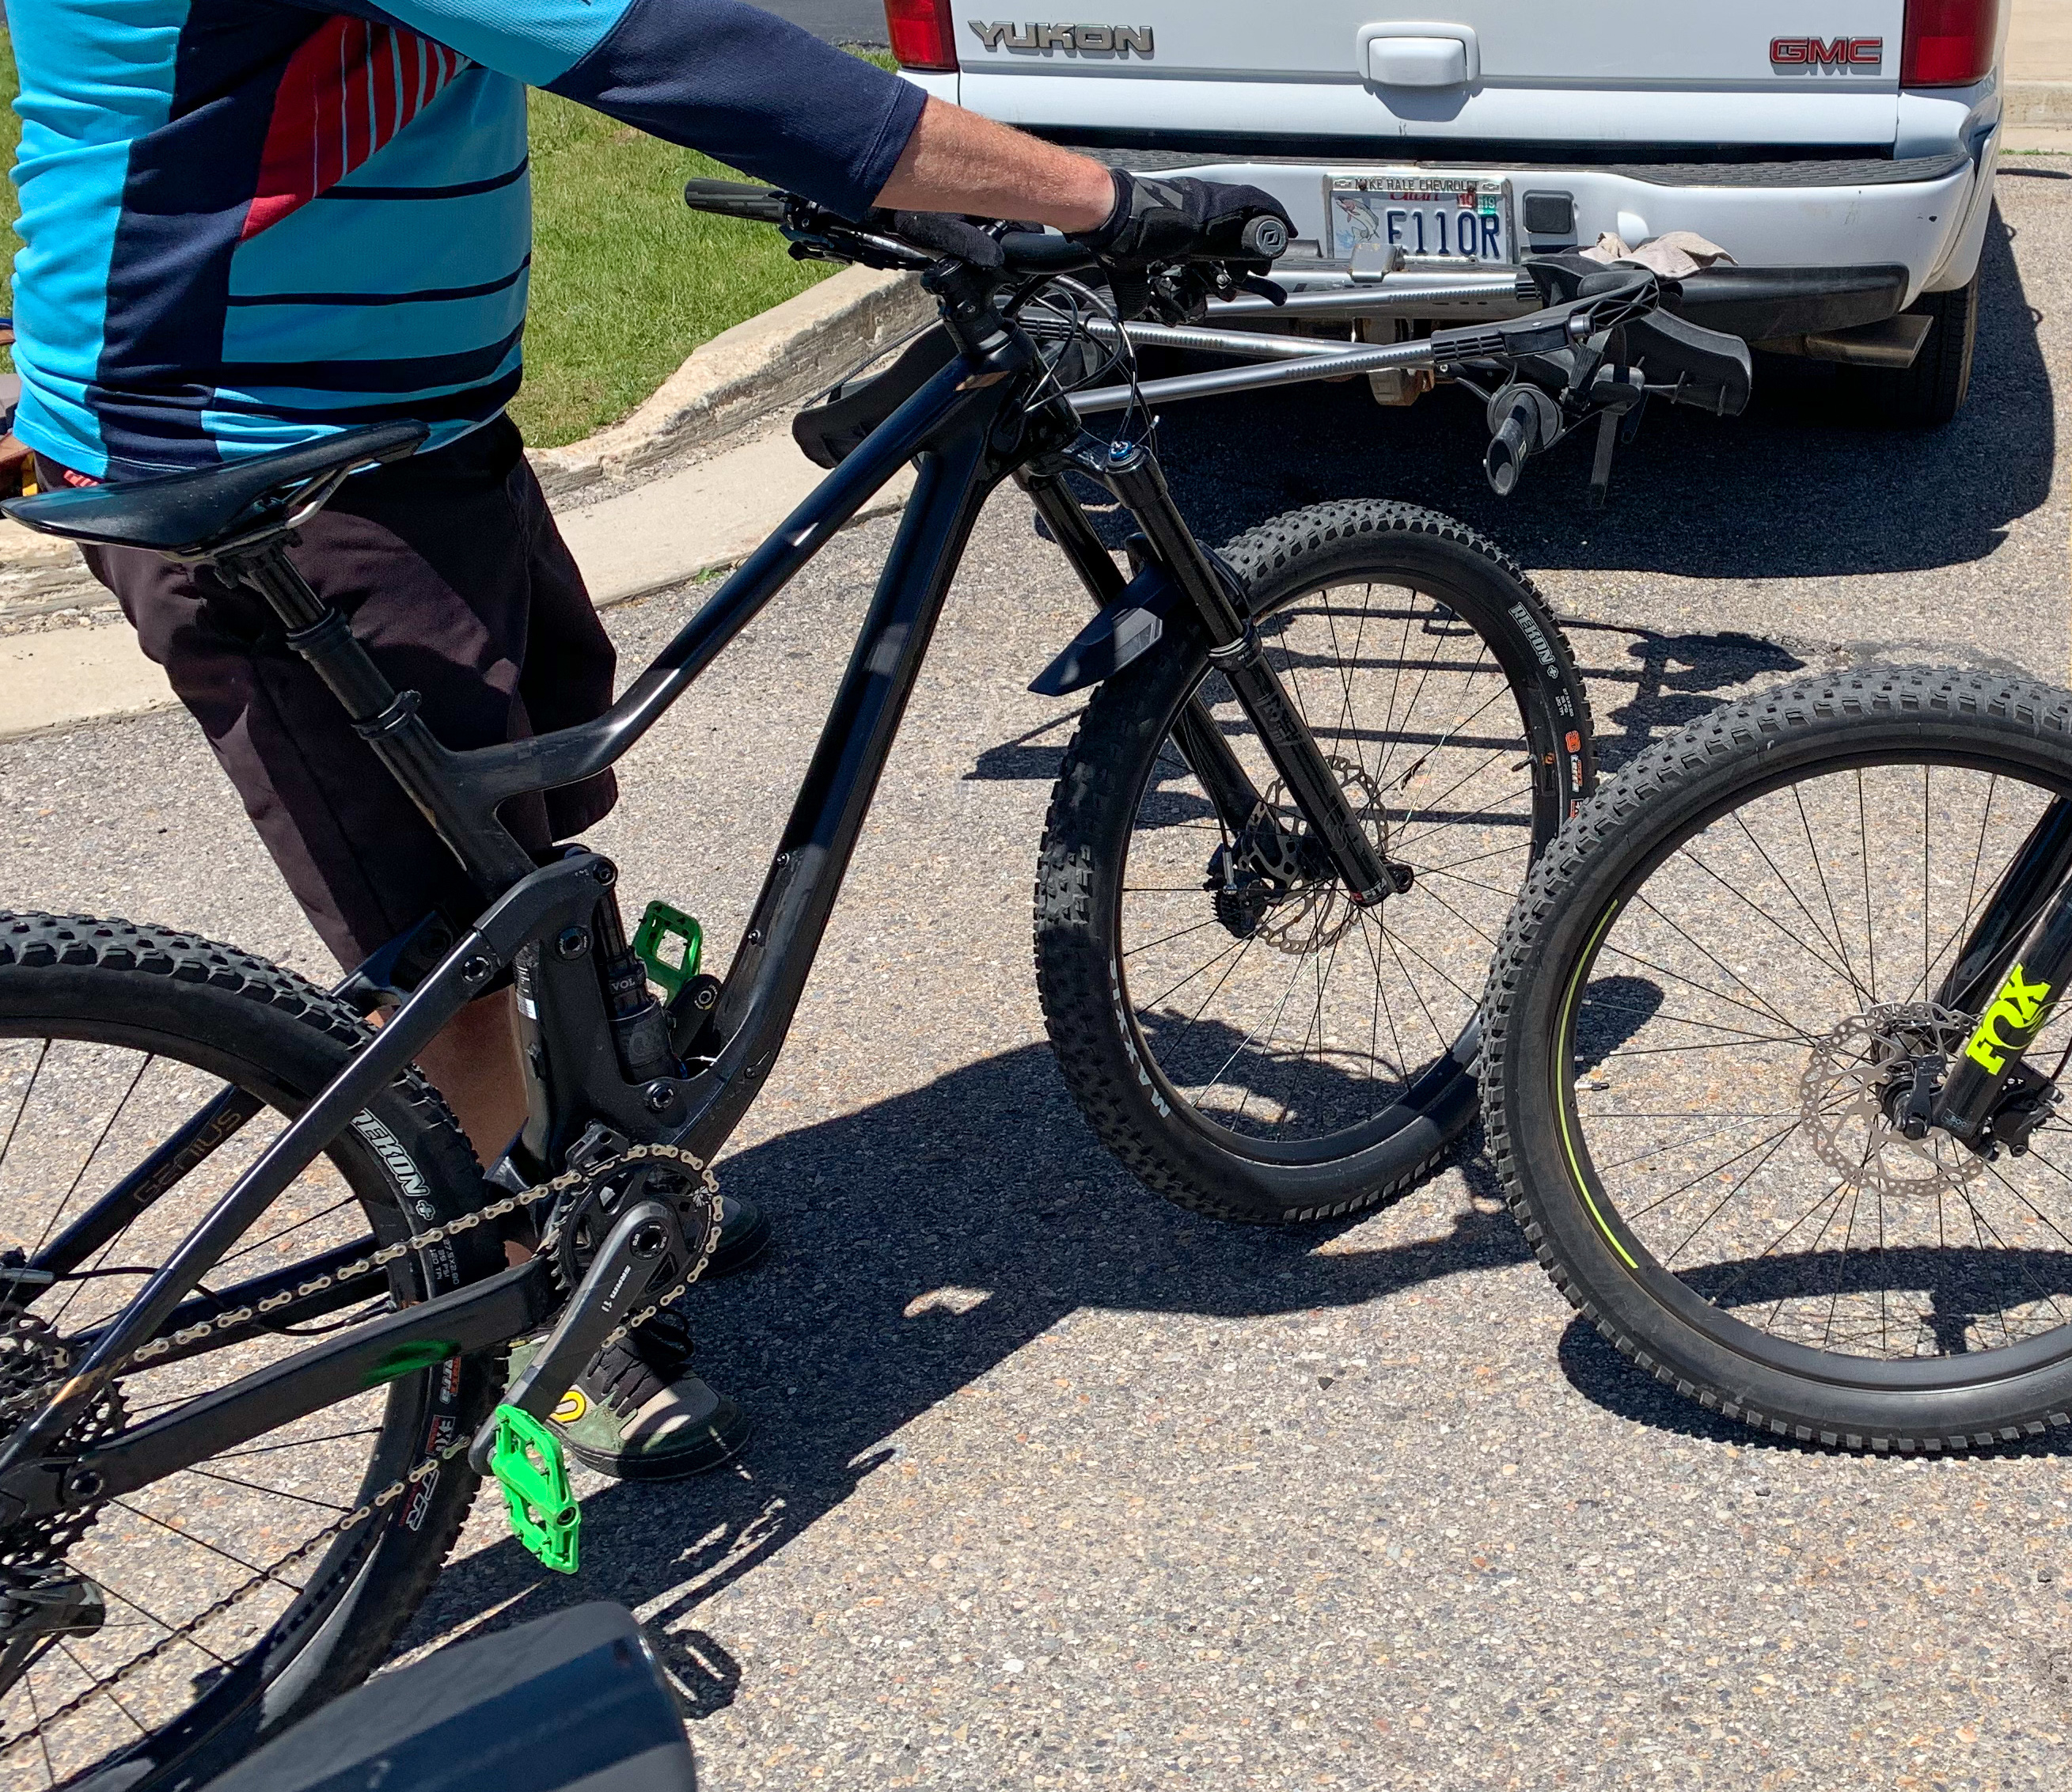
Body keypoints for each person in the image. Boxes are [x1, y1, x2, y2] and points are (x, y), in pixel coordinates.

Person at [6, 0, 1283, 1477]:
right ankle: (515, 1332)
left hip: (410, 434)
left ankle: (570, 1189)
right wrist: (1111, 198)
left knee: (521, 850)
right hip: (260, 464)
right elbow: (660, 50)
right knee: (450, 973)